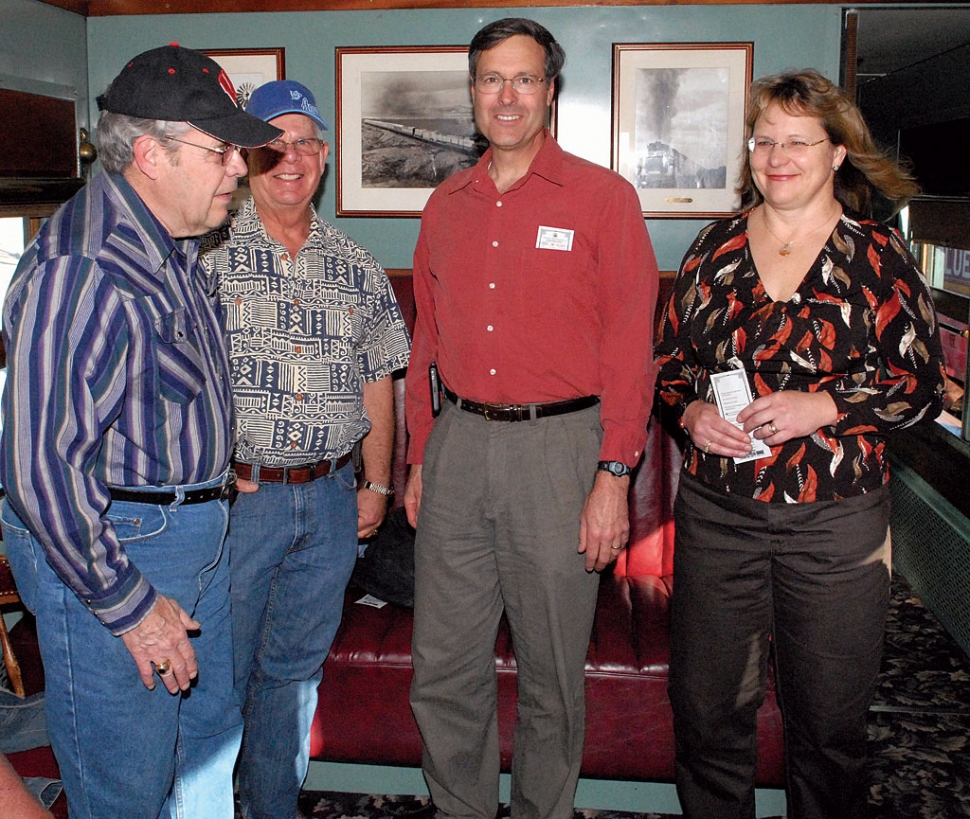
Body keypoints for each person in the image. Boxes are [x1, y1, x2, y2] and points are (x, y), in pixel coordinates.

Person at [656, 69, 947, 819]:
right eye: (764, 141)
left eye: (797, 141)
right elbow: (669, 366)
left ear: (838, 153)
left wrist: (824, 404)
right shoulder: (713, 247)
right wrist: (689, 415)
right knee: (708, 717)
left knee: (829, 727)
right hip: (720, 515)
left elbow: (921, 386)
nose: (777, 156)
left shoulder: (878, 254)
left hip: (837, 522)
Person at [0, 44, 281, 819]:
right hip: (119, 550)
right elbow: (41, 470)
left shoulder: (178, 242)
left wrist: (212, 463)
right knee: (127, 778)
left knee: (205, 752)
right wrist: (128, 602)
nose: (239, 167)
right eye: (222, 150)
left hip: (191, 529)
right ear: (151, 154)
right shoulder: (82, 268)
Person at [403, 18, 658, 819]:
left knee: (550, 670)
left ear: (551, 91)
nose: (506, 96)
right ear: (472, 91)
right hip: (458, 448)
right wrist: (418, 457)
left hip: (562, 452)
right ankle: (460, 808)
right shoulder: (445, 204)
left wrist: (614, 475)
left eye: (523, 79)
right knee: (443, 667)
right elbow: (426, 344)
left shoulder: (603, 199)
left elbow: (630, 350)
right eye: (489, 79)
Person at [200, 79, 411, 819]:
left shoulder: (356, 264)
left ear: (325, 156)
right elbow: (170, 382)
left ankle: (272, 808)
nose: (291, 158)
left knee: (292, 678)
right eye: (274, 143)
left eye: (306, 144)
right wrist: (208, 470)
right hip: (235, 505)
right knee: (214, 680)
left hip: (328, 503)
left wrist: (377, 486)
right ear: (248, 155)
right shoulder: (204, 257)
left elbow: (380, 379)